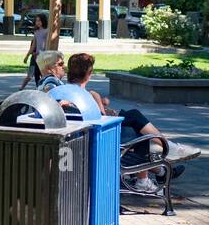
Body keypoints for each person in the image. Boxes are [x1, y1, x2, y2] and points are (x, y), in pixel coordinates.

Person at [66, 53, 195, 195]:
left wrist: (104, 109)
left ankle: (155, 171)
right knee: (137, 123)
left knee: (136, 123)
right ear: (89, 74)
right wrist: (101, 105)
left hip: (76, 141)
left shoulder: (62, 93)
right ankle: (166, 149)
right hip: (100, 142)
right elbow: (101, 124)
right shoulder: (90, 95)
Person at [19, 14, 49, 90]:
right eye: (36, 21)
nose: (37, 22)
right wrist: (27, 55)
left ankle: (42, 89)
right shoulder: (36, 31)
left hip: (42, 56)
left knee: (41, 74)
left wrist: (42, 53)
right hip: (35, 56)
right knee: (32, 74)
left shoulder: (47, 31)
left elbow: (46, 44)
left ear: (43, 21)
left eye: (39, 20)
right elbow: (33, 45)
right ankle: (22, 88)